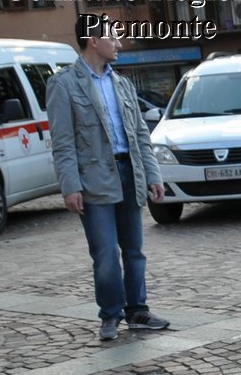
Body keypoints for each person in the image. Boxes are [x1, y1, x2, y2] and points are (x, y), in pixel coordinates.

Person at [46, 18, 169, 342]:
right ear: (93, 40)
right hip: (93, 179)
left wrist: (153, 175)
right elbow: (62, 141)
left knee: (134, 250)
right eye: (114, 37)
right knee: (104, 254)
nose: (120, 44)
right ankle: (110, 315)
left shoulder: (123, 84)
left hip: (130, 173)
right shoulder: (64, 84)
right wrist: (70, 185)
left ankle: (138, 311)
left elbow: (141, 135)